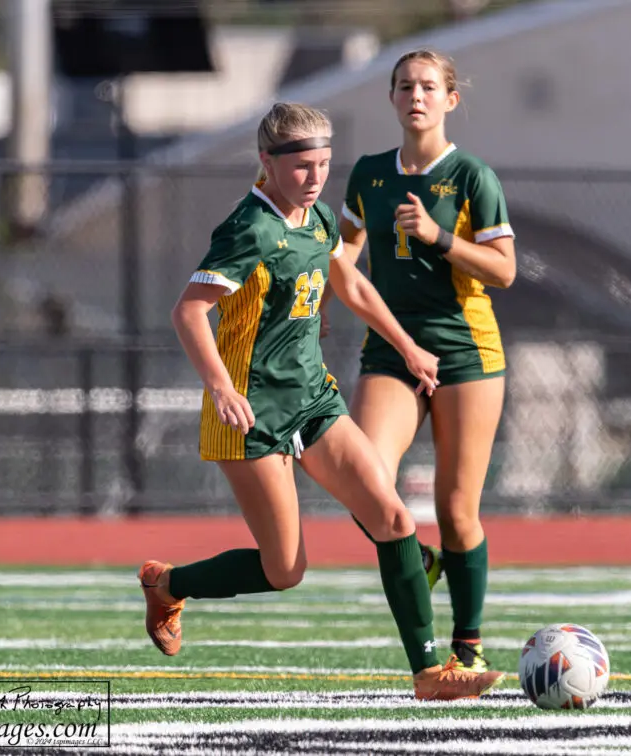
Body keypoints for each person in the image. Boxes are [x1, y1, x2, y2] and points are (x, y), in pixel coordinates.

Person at [137, 101, 504, 701]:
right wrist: (221, 387)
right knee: (286, 570)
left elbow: (351, 282)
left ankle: (430, 672)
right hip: (252, 415)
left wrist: (407, 346)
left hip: (313, 402)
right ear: (267, 162)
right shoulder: (250, 229)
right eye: (303, 166)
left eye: (325, 164)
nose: (315, 177)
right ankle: (169, 584)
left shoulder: (319, 219)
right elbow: (189, 310)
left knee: (393, 518)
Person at [326, 49, 517, 675]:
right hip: (390, 349)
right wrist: (321, 291)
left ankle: (467, 644)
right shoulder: (370, 174)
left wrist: (440, 238)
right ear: (391, 97)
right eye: (405, 85)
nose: (417, 96)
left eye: (429, 87)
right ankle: (421, 559)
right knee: (365, 484)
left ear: (450, 100)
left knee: (458, 509)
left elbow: (505, 270)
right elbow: (346, 255)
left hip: (465, 350)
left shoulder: (471, 177)